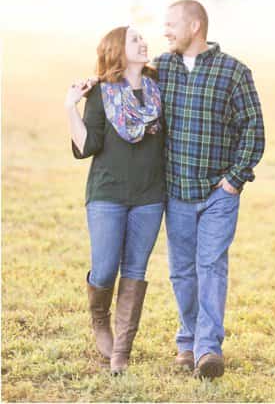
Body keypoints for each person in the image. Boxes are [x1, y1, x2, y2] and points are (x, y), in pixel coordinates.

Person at [156, 0, 265, 379]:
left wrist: (234, 180)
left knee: (211, 267)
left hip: (218, 193)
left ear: (195, 25)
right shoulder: (162, 68)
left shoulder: (234, 72)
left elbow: (253, 128)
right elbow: (128, 88)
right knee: (182, 272)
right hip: (176, 190)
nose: (165, 30)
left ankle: (207, 349)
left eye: (171, 24)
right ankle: (187, 340)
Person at [65, 26, 165, 374]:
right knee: (106, 267)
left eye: (143, 38)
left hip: (150, 195)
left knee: (135, 270)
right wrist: (70, 108)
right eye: (134, 39)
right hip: (107, 194)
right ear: (117, 50)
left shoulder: (158, 87)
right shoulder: (102, 93)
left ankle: (122, 349)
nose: (143, 42)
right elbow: (87, 146)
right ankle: (99, 320)